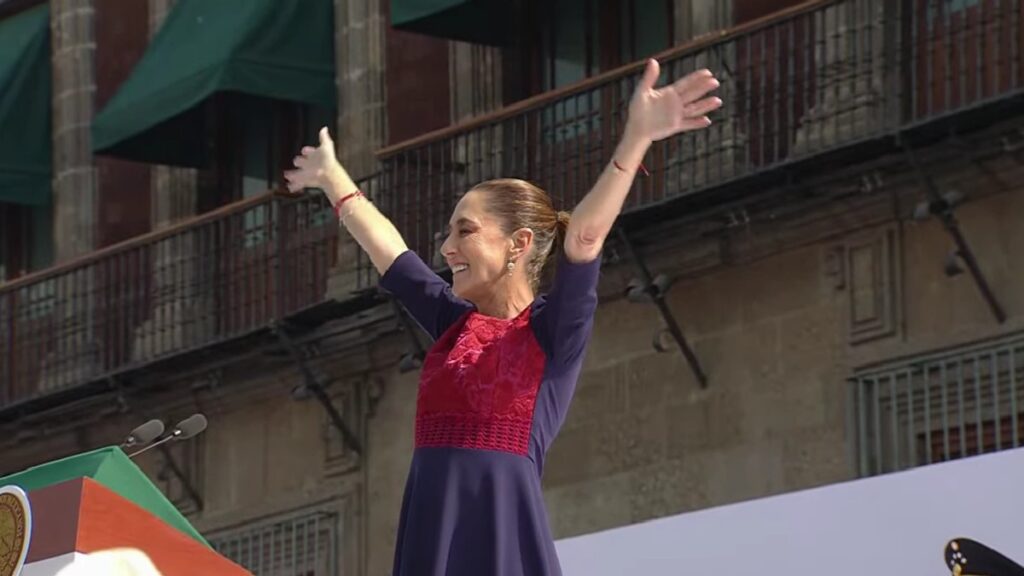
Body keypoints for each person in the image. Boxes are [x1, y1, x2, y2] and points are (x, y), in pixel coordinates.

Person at [285, 58, 721, 576]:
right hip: (432, 542)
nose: (446, 247)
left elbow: (583, 237)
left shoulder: (552, 334)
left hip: (503, 546)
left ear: (519, 244)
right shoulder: (452, 323)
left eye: (464, 231)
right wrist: (332, 176)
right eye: (448, 234)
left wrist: (636, 139)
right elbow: (391, 252)